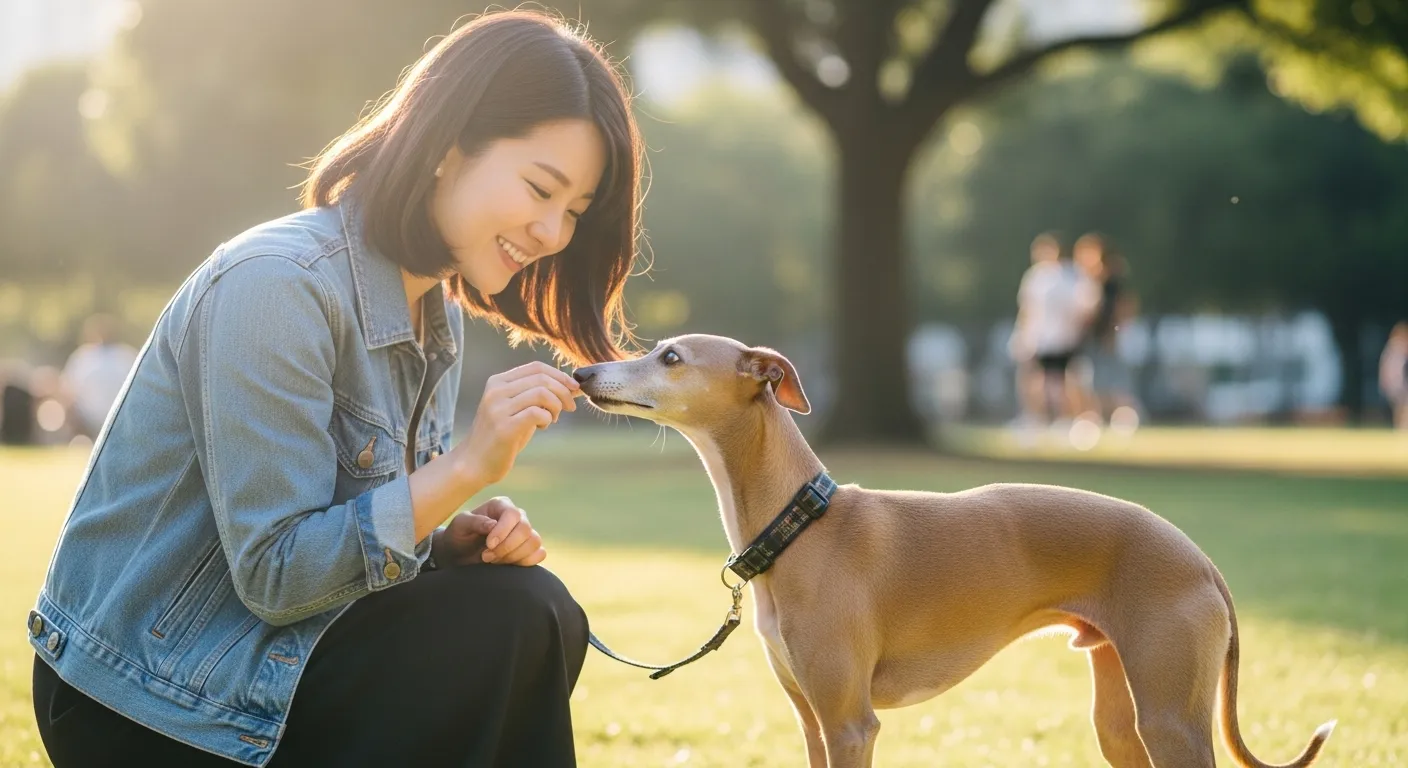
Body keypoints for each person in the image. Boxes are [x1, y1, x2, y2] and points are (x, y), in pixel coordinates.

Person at [29, 10, 642, 767]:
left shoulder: (433, 315)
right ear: (447, 148)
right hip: (145, 695)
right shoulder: (275, 285)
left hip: (268, 657)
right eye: (540, 189)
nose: (552, 233)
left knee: (531, 608)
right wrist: (463, 469)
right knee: (515, 618)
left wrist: (443, 543)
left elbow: (338, 537)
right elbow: (277, 574)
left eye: (574, 213)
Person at [1009, 233, 1097, 430]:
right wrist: (1023, 335)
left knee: (1059, 382)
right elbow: (1027, 309)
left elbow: (1080, 307)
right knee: (1036, 381)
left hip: (1061, 339)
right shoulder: (1035, 277)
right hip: (1038, 338)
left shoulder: (1067, 277)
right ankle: (1035, 417)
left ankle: (1062, 418)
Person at [1073, 233, 1140, 432]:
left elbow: (1123, 308)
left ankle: (1123, 416)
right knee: (1090, 382)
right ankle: (1093, 417)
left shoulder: (1111, 281)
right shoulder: (1087, 281)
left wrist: (1115, 332)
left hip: (1107, 338)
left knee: (1112, 381)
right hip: (1092, 339)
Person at [59, 314, 139, 438]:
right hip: (87, 421)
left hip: (120, 418)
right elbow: (68, 392)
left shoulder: (126, 355)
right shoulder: (82, 357)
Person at [1380, 321, 1408, 430]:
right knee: (1401, 407)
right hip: (1395, 385)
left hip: (1398, 385)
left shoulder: (1393, 350)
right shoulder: (1394, 349)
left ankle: (1401, 427)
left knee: (1402, 407)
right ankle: (1401, 427)